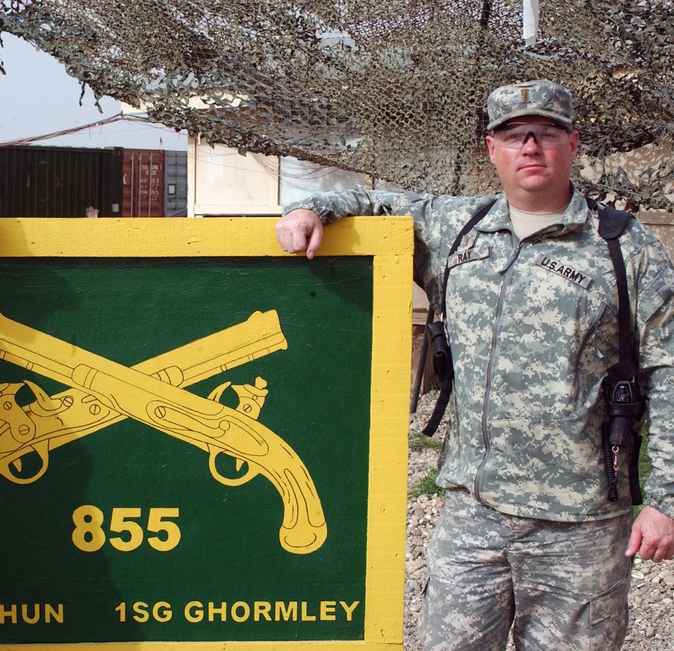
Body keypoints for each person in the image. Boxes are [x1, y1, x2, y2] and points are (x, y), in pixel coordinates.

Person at [276, 79, 674, 649]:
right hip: (472, 516)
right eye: (514, 135)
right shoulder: (456, 229)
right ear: (492, 150)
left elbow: (668, 371)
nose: (530, 146)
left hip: (581, 524)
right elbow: (372, 205)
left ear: (573, 143)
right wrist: (307, 209)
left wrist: (665, 501)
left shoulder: (625, 248)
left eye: (547, 133)